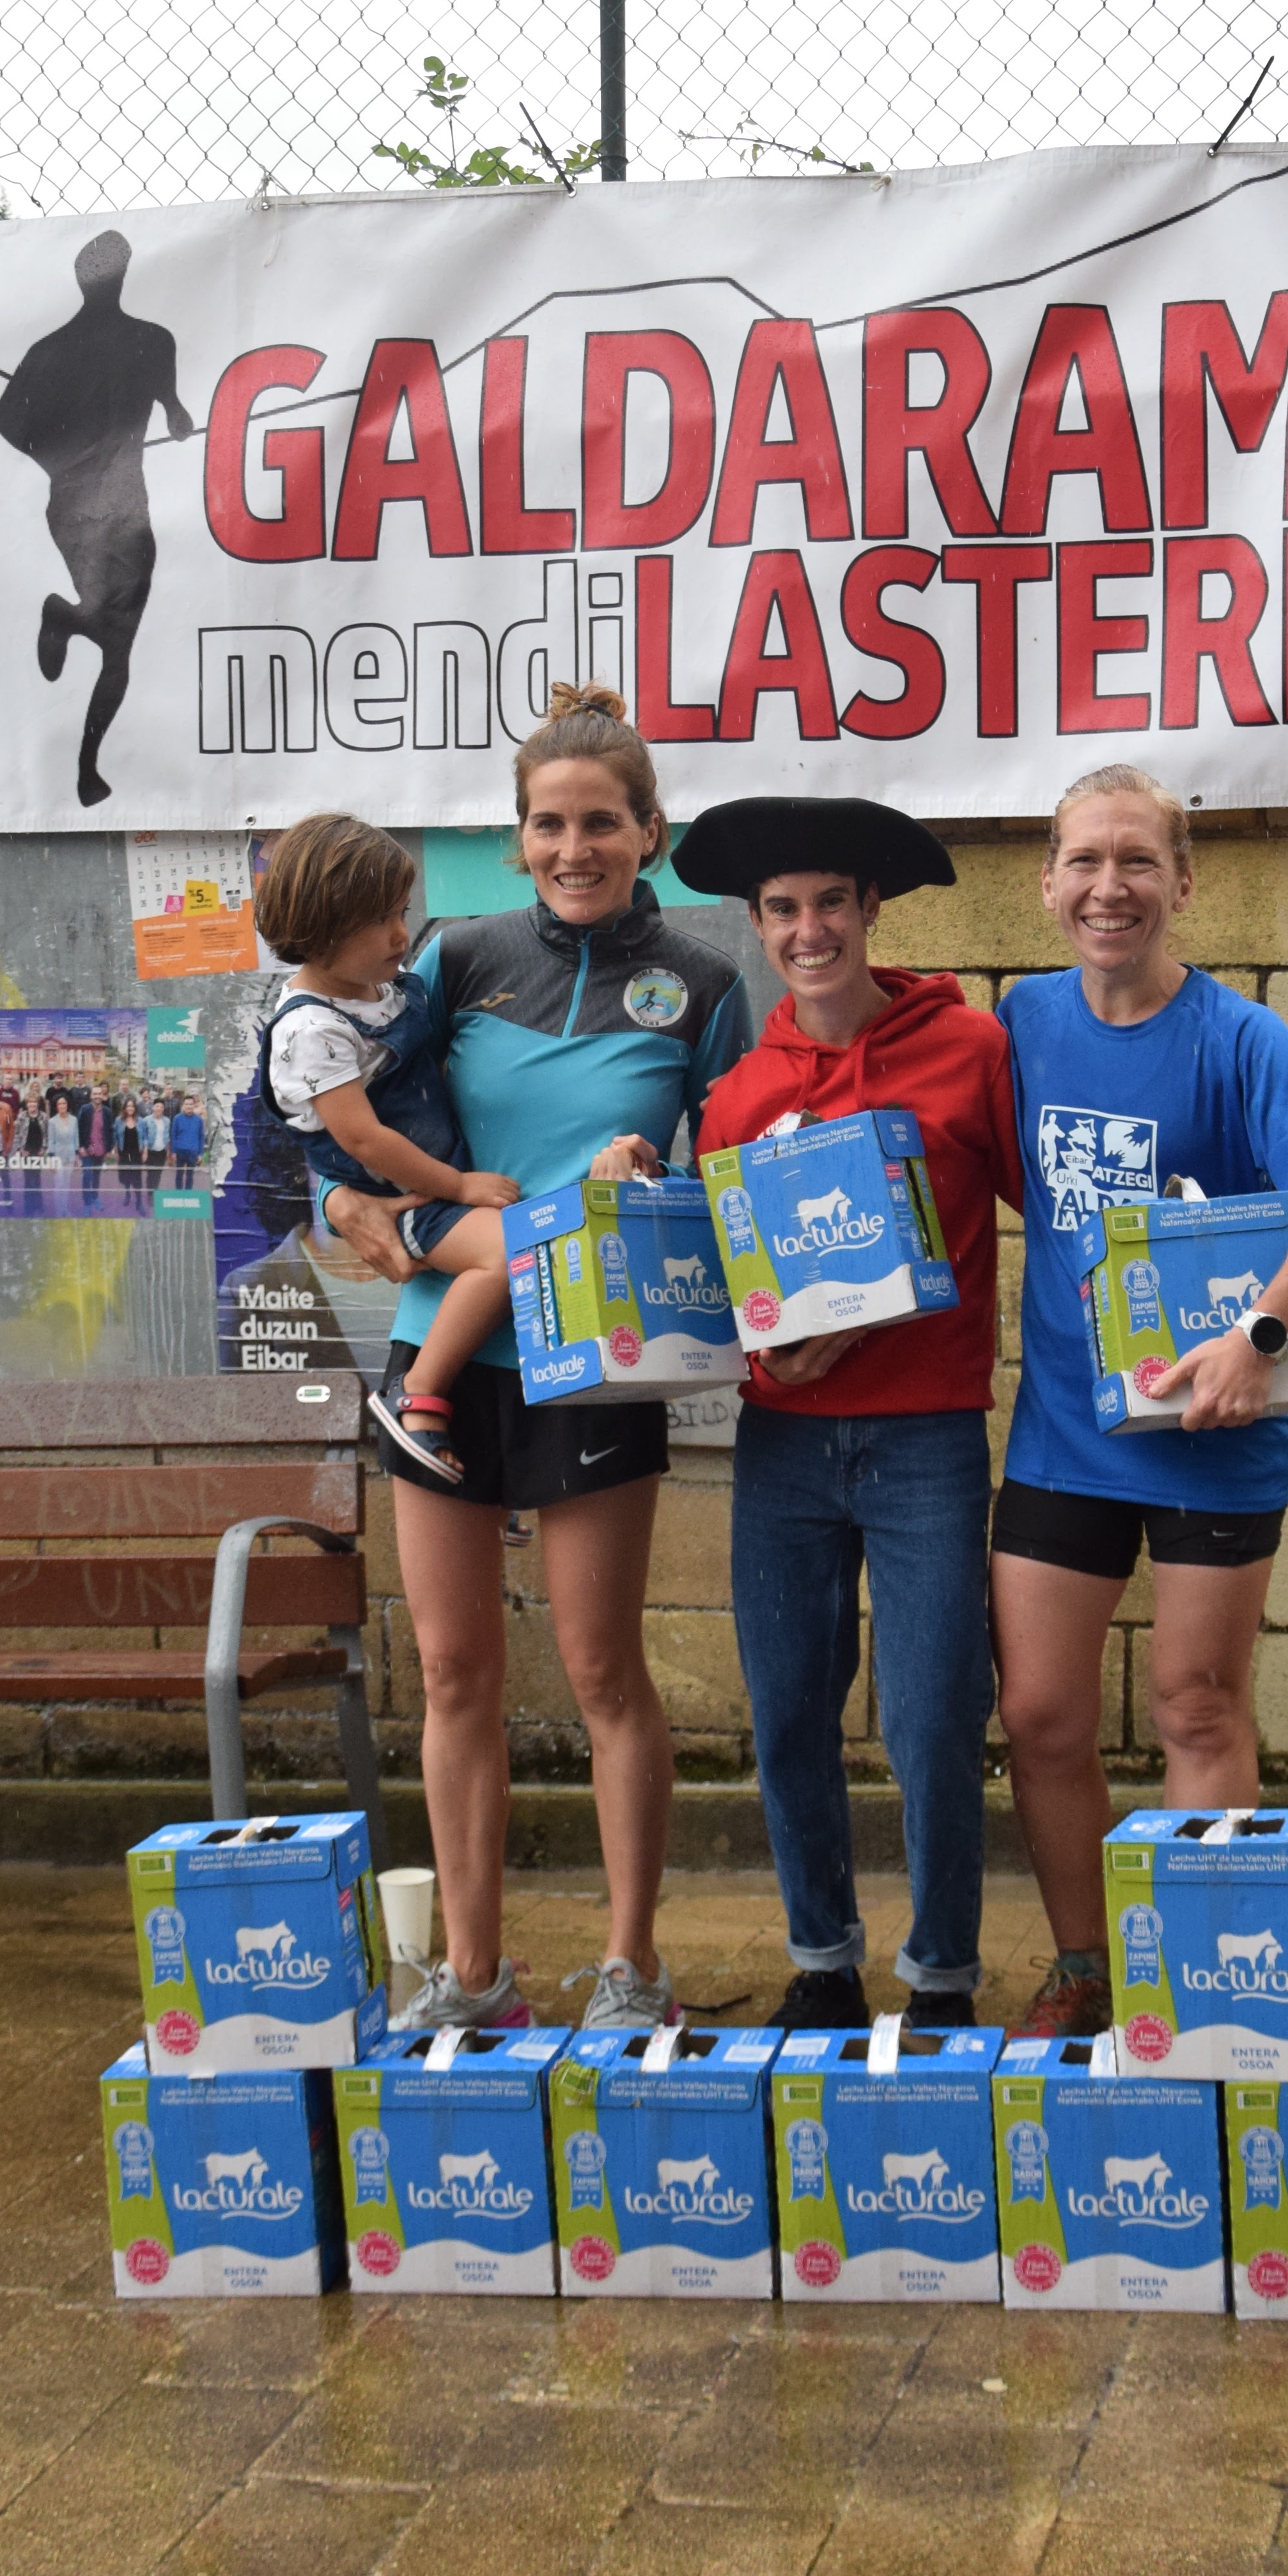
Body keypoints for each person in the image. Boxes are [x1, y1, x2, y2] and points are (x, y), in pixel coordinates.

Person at [322, 685, 748, 2038]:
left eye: (602, 824)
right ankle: (475, 1974)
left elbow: (736, 1188)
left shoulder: (708, 985)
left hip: (597, 1358)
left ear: (649, 832)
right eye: (550, 825)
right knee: (454, 1675)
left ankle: (631, 1968)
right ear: (517, 838)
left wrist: (653, 1179)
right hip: (439, 1357)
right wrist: (338, 1203)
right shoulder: (454, 958)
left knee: (604, 1675)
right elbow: (347, 1122)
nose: (575, 849)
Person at [993, 765, 1288, 2040]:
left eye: (1136, 861)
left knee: (1196, 1706)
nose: (1107, 887)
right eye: (1083, 861)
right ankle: (1085, 1966)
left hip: (1213, 1441)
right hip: (1065, 1436)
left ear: (1181, 882)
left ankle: (1206, 1986)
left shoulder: (1239, 1038)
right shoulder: (1018, 1023)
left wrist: (1256, 1336)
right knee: (1040, 1716)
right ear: (1047, 883)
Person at [676, 793, 1023, 2034]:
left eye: (830, 902)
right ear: (755, 921)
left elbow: (1049, 1207)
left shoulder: (970, 1051)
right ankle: (821, 1956)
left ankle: (941, 1975)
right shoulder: (736, 1097)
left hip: (927, 1438)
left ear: (871, 908)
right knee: (786, 1714)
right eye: (782, 909)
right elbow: (724, 1283)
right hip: (782, 1446)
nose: (808, 930)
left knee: (933, 1719)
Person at [253, 814, 525, 1484]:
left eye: (400, 912)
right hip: (405, 1200)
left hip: (434, 1182)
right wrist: (457, 1187)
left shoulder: (385, 990)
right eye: (378, 921)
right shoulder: (312, 1030)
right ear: (319, 927)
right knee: (507, 1254)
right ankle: (417, 1394)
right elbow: (362, 1138)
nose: (401, 935)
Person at [0, 228, 196, 809]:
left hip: (81, 504)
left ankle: (70, 621)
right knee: (119, 642)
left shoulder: (51, 350)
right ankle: (85, 764)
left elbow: (8, 423)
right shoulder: (151, 340)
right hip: (118, 505)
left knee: (115, 632)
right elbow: (177, 418)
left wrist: (56, 459)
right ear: (121, 276)